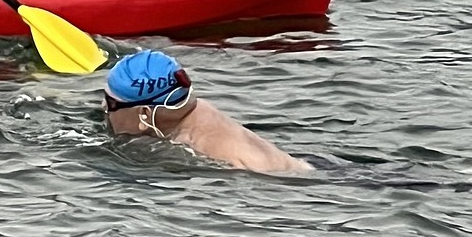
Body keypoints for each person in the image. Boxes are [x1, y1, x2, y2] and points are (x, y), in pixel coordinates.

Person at [103, 50, 314, 176]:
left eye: (111, 103)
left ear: (144, 114)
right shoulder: (198, 112)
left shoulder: (214, 155)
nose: (104, 108)